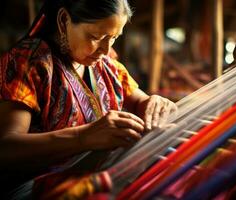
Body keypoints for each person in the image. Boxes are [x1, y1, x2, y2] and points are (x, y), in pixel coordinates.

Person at [0, 0, 177, 198]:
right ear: (64, 20)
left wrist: (152, 104)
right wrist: (83, 138)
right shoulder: (27, 62)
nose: (105, 48)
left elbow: (139, 101)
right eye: (96, 36)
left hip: (96, 177)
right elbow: (6, 147)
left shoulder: (107, 65)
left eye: (114, 38)